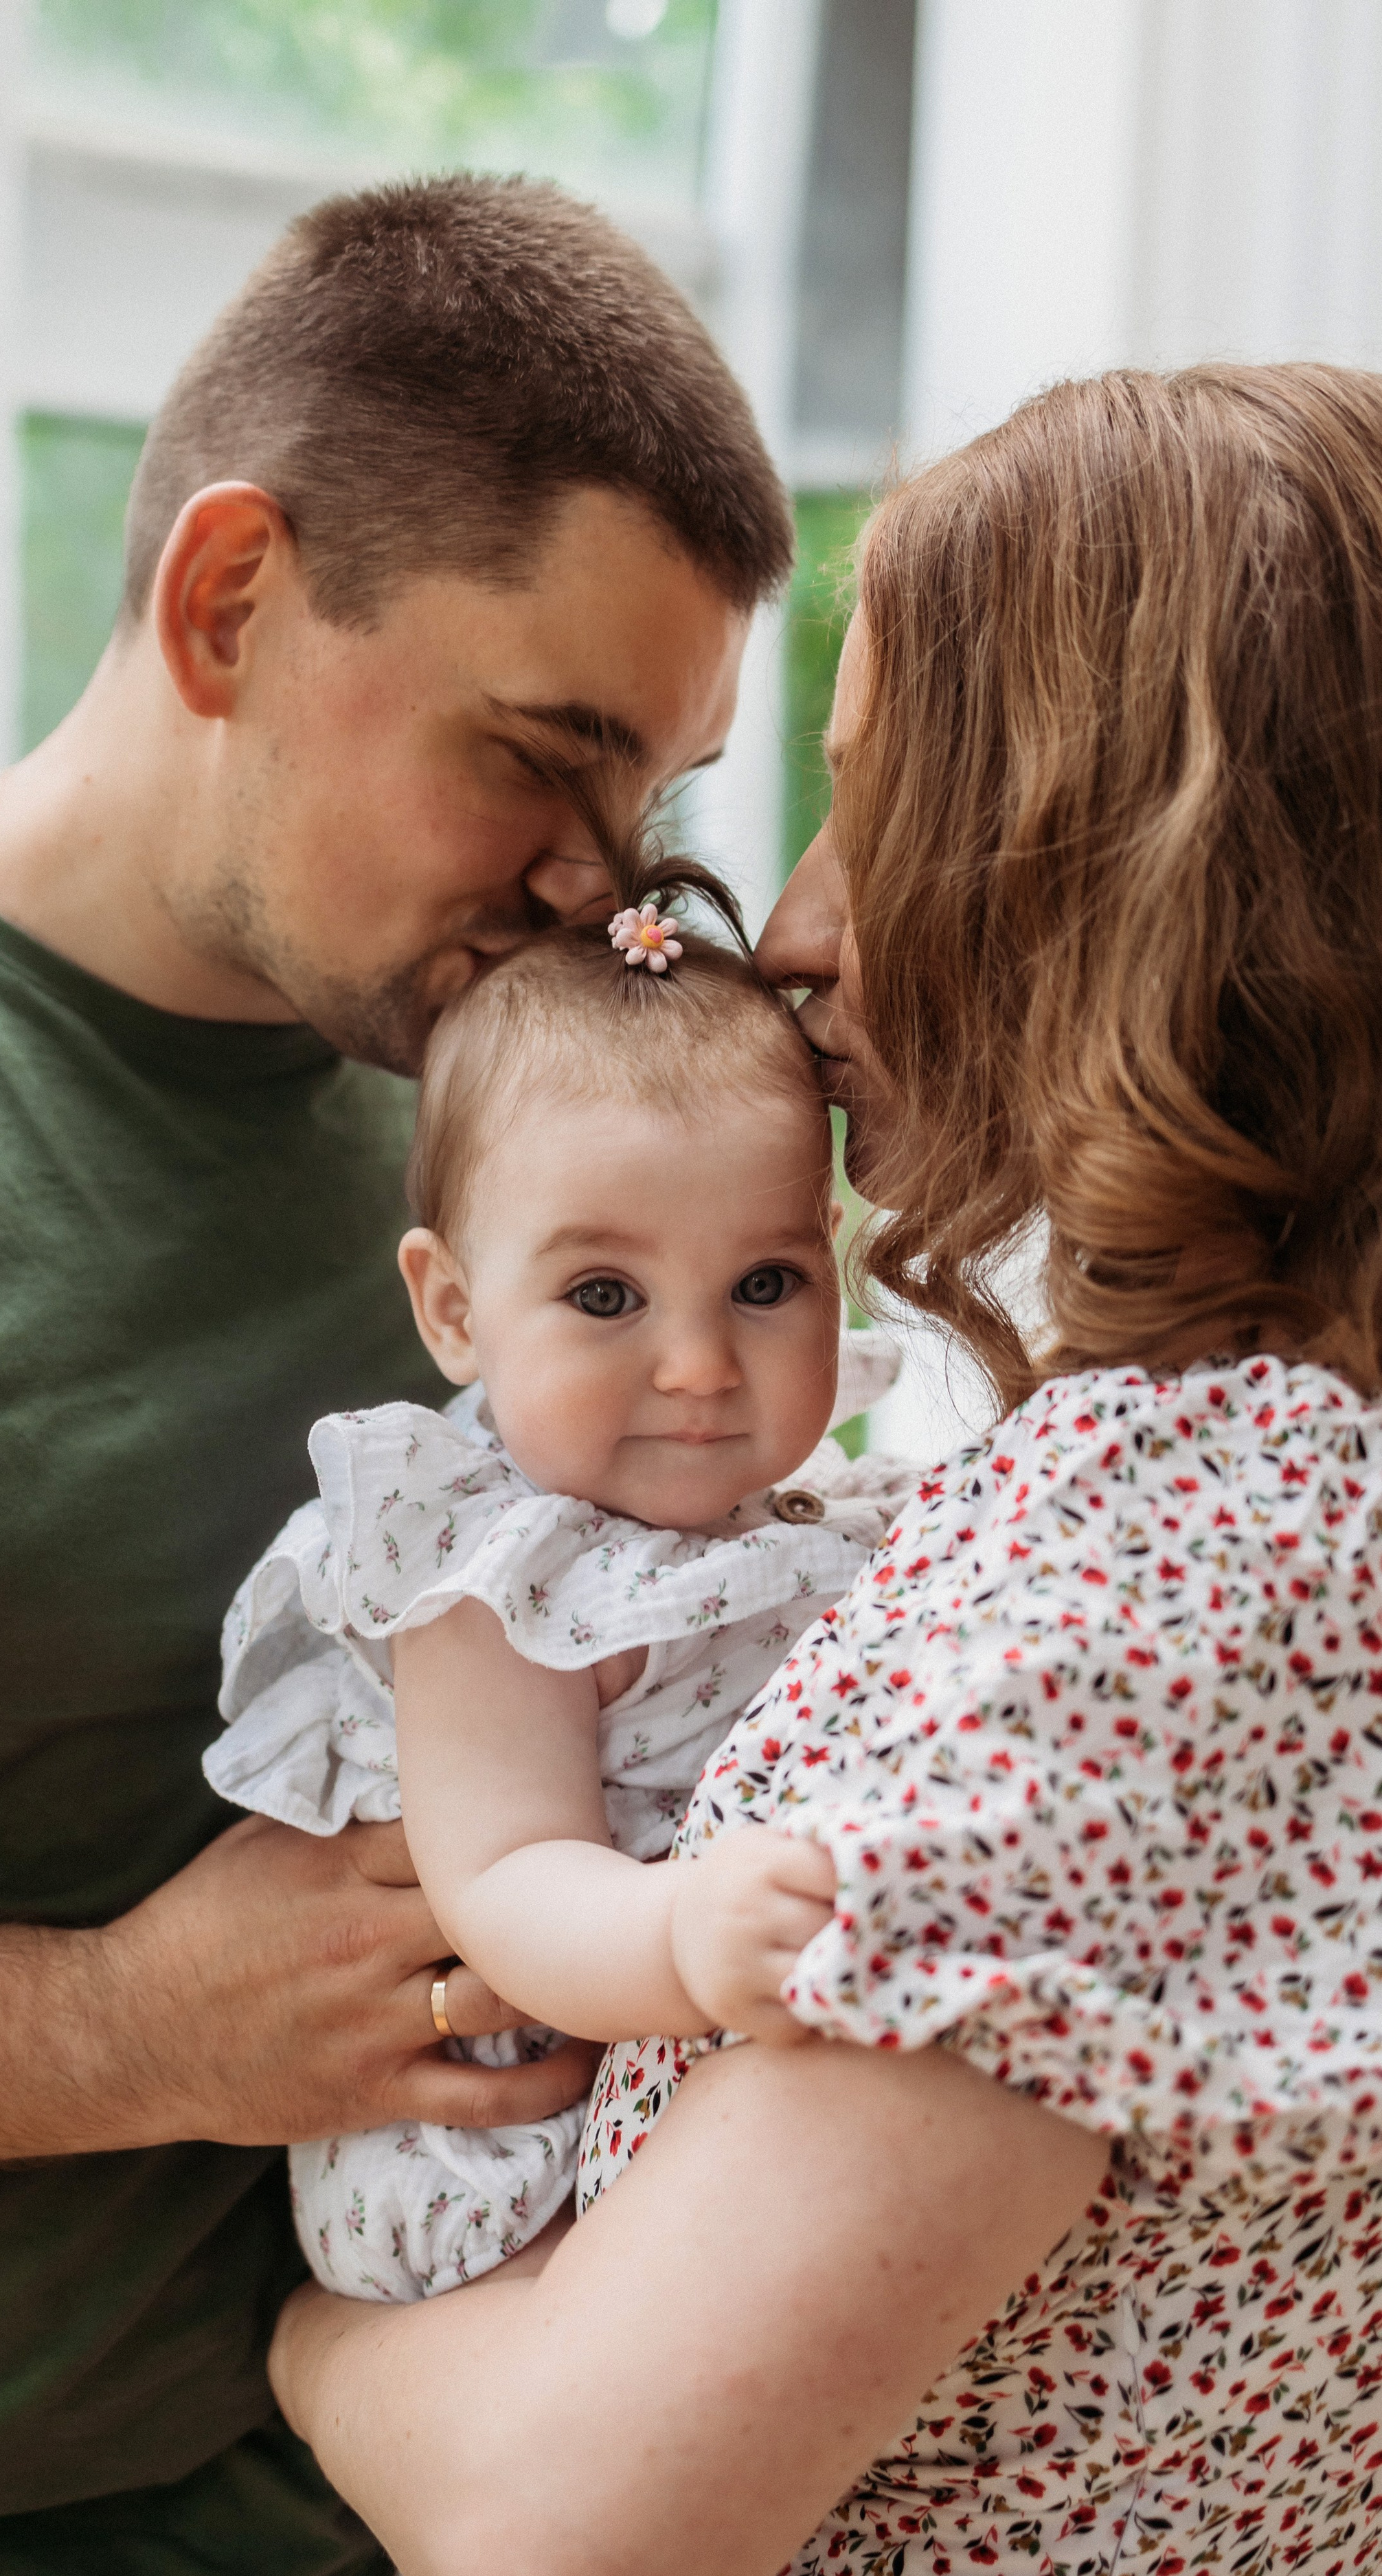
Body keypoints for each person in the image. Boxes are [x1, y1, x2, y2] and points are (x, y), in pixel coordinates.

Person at [0, 176, 795, 2576]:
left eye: (655, 807)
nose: (603, 900)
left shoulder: (570, 1178)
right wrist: (118, 2032)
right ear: (231, 599)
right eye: (538, 761)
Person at [267, 361, 1382, 2576]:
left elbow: (575, 2538)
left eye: (878, 806)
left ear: (1130, 862)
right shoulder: (1291, 1497)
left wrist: (307, 2341)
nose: (787, 927)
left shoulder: (1155, 1566)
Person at [206, 820, 910, 2303]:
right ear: (452, 1310)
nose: (700, 1364)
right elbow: (505, 1879)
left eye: (765, 1283)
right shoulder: (494, 1579)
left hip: (698, 2066)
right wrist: (679, 1933)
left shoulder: (811, 1519)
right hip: (509, 2143)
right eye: (605, 1293)